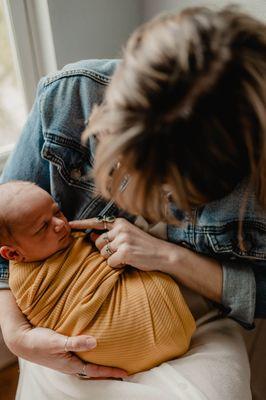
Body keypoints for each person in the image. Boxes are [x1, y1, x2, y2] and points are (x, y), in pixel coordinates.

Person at [0, 5, 264, 398]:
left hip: (199, 313)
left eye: (169, 191)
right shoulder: (70, 97)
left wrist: (169, 257)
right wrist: (18, 336)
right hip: (72, 316)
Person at [0, 180, 195, 375]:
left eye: (57, 211)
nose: (60, 223)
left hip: (154, 326)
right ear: (13, 255)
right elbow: (50, 314)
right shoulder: (24, 283)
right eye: (43, 227)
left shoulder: (61, 242)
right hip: (113, 340)